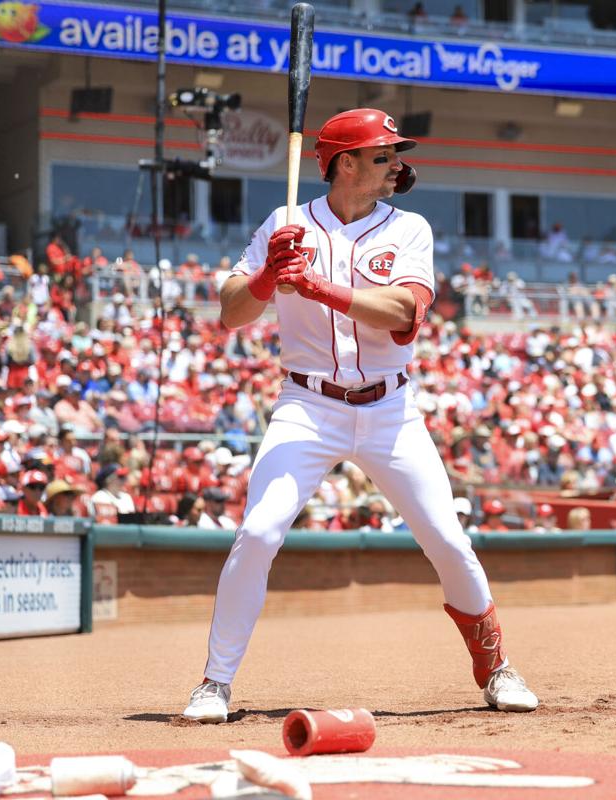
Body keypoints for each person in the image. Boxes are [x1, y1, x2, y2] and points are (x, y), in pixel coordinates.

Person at [182, 108, 538, 723]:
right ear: (345, 163)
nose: (396, 162)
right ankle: (215, 681)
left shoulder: (410, 228)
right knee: (260, 531)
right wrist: (269, 273)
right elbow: (233, 313)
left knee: (448, 540)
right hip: (307, 405)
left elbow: (403, 314)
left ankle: (496, 668)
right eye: (382, 154)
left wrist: (317, 286)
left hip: (390, 409)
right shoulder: (284, 223)